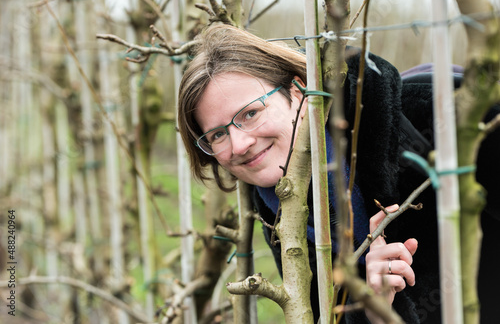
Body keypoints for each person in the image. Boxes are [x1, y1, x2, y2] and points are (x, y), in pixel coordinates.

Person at [177, 23, 500, 323]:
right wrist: (374, 304)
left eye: (250, 113)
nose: (239, 144)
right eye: (217, 134)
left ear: (297, 92)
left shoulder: (438, 114)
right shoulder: (276, 201)